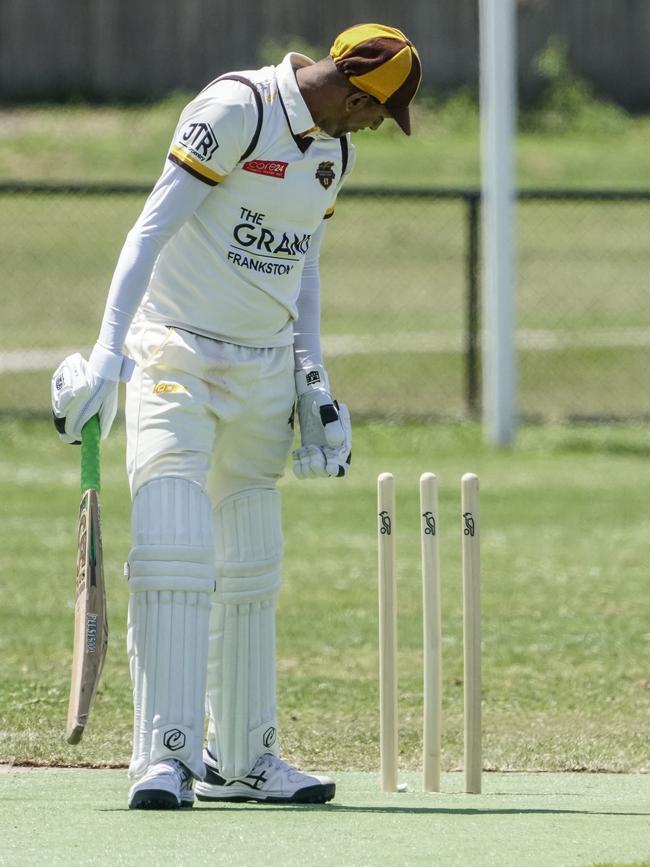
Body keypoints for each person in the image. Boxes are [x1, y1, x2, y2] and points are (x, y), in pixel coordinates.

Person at [51, 22, 421, 810]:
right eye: (376, 114)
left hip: (262, 366)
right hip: (176, 354)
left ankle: (246, 756)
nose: (373, 130)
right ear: (357, 94)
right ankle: (166, 756)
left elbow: (304, 268)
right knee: (176, 546)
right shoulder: (236, 109)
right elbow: (150, 227)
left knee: (252, 560)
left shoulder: (333, 153)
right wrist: (108, 356)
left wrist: (312, 380)